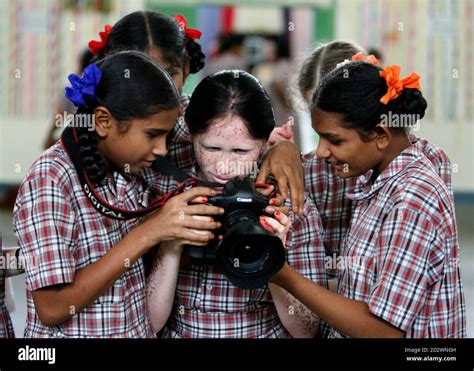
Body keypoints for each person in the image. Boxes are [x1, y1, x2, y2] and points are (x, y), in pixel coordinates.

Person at [13, 51, 224, 338]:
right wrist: (149, 232)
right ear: (102, 122)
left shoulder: (129, 166)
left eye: (166, 136)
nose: (163, 149)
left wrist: (280, 148)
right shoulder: (51, 178)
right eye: (153, 135)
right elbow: (52, 308)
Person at [270, 60, 466, 338]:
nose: (322, 152)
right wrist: (283, 149)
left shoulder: (411, 200)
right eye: (318, 139)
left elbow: (382, 330)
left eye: (334, 141)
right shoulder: (375, 175)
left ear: (381, 135)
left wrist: (285, 276)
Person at [146, 70, 327, 338]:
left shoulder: (288, 205)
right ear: (191, 135)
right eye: (211, 148)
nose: (224, 166)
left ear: (267, 142)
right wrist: (170, 243)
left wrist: (274, 257)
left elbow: (308, 330)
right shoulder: (169, 195)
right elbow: (149, 324)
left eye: (241, 152)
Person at [91, 11, 305, 214]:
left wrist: (284, 149)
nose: (156, 85)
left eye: (167, 73)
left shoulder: (203, 118)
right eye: (140, 73)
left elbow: (249, 139)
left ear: (185, 70)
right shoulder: (90, 148)